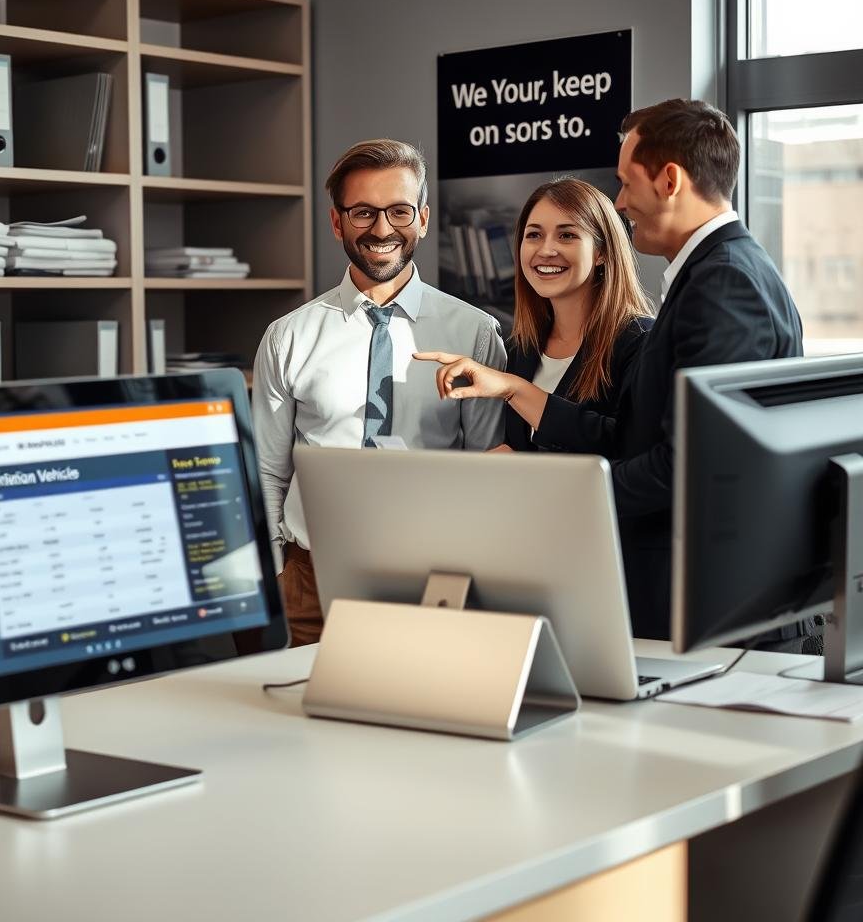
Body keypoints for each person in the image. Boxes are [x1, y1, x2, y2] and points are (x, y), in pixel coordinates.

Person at [422, 100, 805, 645]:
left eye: (626, 183)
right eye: (533, 234)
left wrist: (551, 491)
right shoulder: (721, 271)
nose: (621, 202)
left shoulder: (724, 283)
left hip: (715, 604)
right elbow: (629, 434)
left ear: (669, 180)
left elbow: (688, 468)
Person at [252, 138, 507, 646]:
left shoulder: (474, 333)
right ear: (337, 221)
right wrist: (280, 569)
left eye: (398, 211)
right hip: (310, 582)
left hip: (432, 578)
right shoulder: (289, 335)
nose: (382, 229)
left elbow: (486, 465)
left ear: (424, 218)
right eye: (363, 212)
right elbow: (268, 468)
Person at [419, 177, 653, 456]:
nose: (545, 250)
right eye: (534, 235)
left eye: (566, 235)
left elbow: (630, 449)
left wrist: (514, 389)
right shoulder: (521, 349)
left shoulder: (641, 341)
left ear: (601, 252)